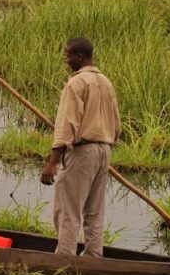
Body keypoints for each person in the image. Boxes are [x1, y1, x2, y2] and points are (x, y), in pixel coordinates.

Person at [41, 37, 121, 258]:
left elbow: (66, 125)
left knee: (68, 210)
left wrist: (52, 162)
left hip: (83, 152)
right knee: (94, 211)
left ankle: (64, 260)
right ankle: (94, 258)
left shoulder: (76, 83)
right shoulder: (105, 82)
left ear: (79, 56)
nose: (66, 60)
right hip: (104, 150)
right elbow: (117, 125)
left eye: (68, 55)